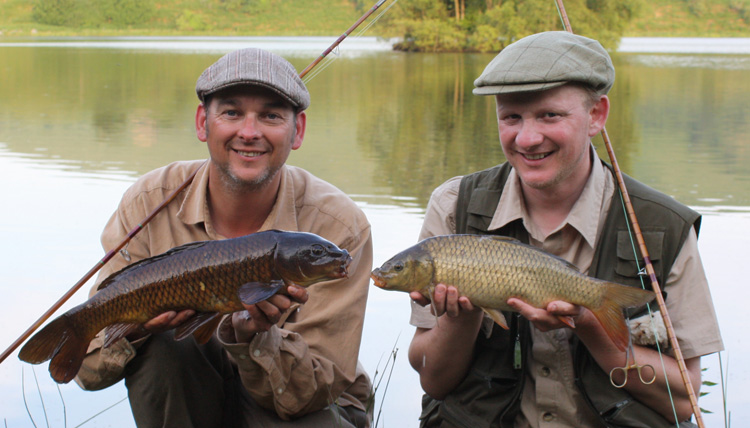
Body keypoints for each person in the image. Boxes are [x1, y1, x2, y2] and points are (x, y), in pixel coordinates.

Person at [407, 31, 723, 428]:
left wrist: (591, 325)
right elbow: (435, 382)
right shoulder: (453, 205)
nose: (527, 138)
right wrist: (462, 316)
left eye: (550, 115)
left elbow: (684, 402)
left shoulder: (662, 225)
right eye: (511, 117)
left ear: (596, 115)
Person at [74, 48, 373, 428]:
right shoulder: (149, 202)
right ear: (203, 123)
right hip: (189, 395)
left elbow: (312, 392)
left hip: (299, 406)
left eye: (270, 115)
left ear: (297, 131)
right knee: (167, 348)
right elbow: (88, 371)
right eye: (231, 113)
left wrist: (255, 339)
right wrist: (139, 326)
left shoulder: (340, 226)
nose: (249, 132)